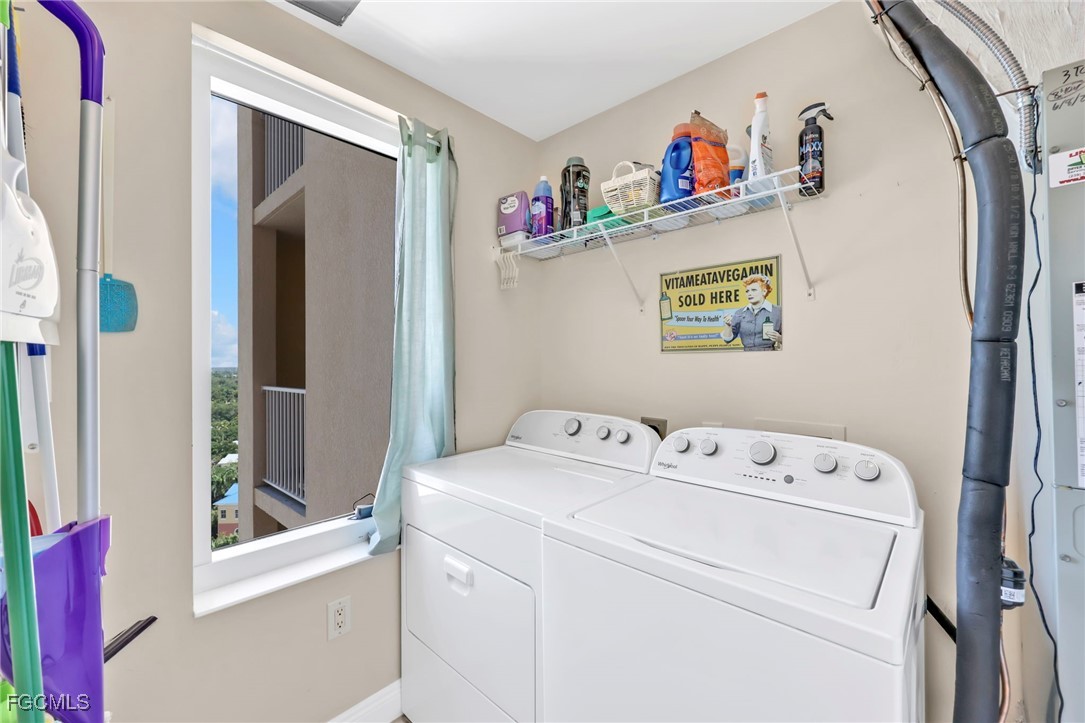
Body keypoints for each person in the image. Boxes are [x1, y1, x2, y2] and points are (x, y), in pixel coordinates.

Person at [720, 274, 782, 351]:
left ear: (764, 291)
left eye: (754, 290)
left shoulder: (778, 311)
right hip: (747, 357)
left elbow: (794, 340)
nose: (749, 293)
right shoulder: (739, 312)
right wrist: (728, 326)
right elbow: (727, 340)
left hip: (769, 357)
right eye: (747, 291)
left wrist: (780, 339)